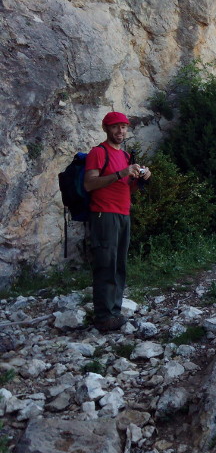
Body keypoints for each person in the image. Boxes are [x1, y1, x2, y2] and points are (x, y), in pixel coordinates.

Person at [83, 112, 151, 331]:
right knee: (106, 264)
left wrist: (141, 177)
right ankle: (103, 317)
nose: (120, 131)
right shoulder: (98, 152)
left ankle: (114, 311)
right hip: (104, 214)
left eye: (123, 127)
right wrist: (121, 173)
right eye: (115, 127)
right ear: (105, 128)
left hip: (123, 214)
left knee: (119, 264)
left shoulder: (125, 156)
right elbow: (90, 184)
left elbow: (126, 187)